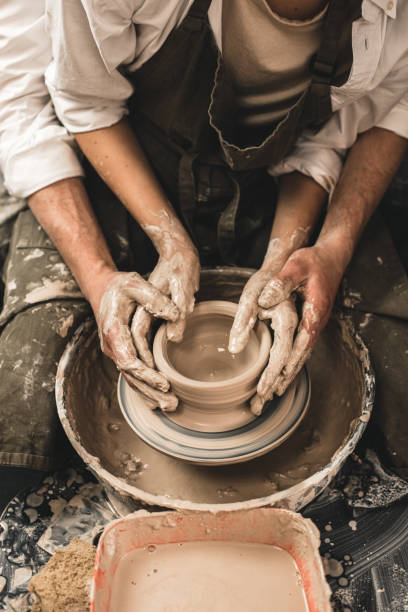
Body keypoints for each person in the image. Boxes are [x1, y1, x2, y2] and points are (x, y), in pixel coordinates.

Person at [0, 0, 407, 501]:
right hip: (107, 162)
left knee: (396, 387)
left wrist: (318, 252)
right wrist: (103, 274)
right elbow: (59, 105)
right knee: (21, 401)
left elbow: (344, 130)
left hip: (278, 183)